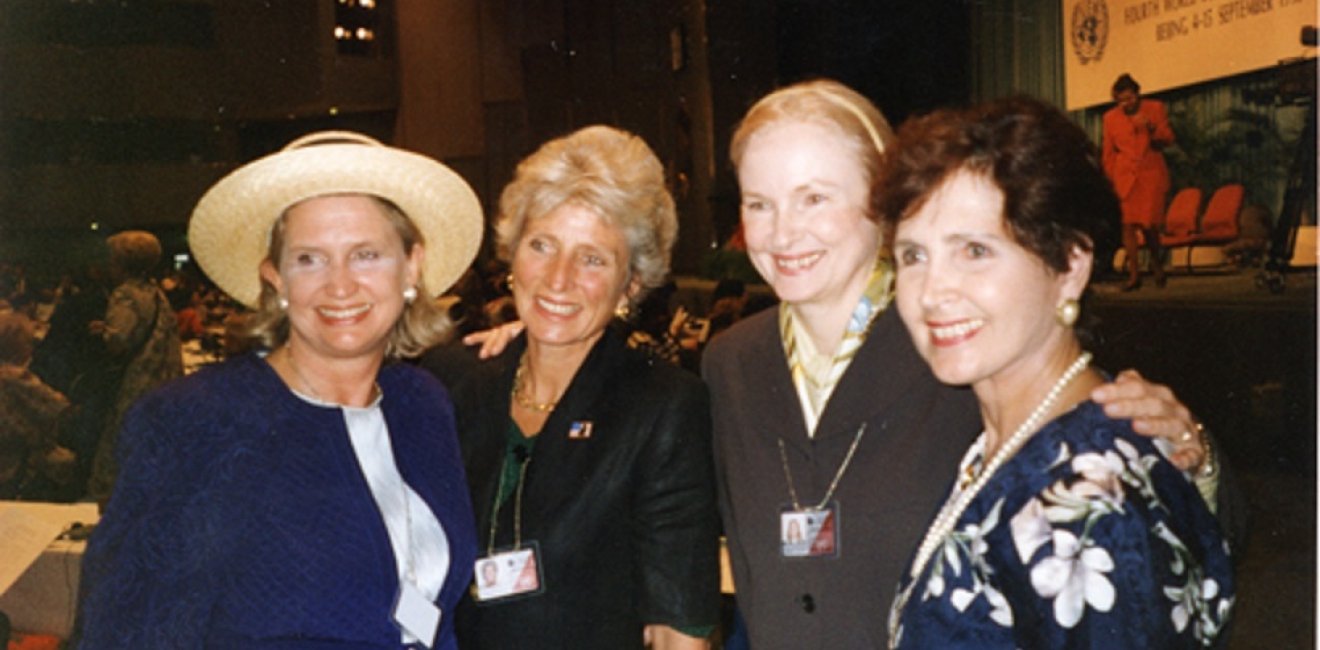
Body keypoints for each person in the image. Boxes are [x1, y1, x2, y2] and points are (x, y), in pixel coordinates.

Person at [699, 79, 1221, 649]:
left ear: (881, 204)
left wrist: (1194, 453)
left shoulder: (966, 347)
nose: (782, 231)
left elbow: (1147, 515)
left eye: (814, 197)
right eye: (758, 203)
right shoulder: (730, 364)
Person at [74, 131, 483, 649]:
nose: (340, 286)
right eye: (309, 259)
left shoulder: (423, 403)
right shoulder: (195, 421)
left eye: (366, 255)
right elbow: (124, 632)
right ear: (276, 279)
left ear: (412, 266)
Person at [880, 96, 1233, 648]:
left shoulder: (1085, 500)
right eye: (912, 255)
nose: (931, 293)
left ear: (1070, 265)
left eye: (974, 250)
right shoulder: (1010, 441)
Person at [420, 125, 720, 649]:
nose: (558, 279)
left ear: (629, 284)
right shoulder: (452, 383)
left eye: (592, 258)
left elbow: (679, 630)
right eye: (542, 246)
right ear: (512, 257)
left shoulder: (662, 405)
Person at [84, 230, 184, 504]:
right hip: (162, 380)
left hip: (136, 382)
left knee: (121, 453)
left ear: (121, 263)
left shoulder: (125, 294)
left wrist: (101, 330)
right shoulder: (156, 292)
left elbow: (119, 341)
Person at [1102, 73, 1175, 291]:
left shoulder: (1155, 108)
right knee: (1127, 226)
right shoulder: (1110, 118)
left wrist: (1151, 127)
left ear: (1137, 94)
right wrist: (1109, 179)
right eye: (1121, 100)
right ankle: (1134, 276)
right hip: (1124, 178)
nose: (1126, 104)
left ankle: (1156, 264)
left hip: (1150, 176)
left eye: (1130, 99)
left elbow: (1169, 138)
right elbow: (1108, 152)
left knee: (1149, 227)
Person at [0, 312, 75, 500]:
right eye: (29, 342)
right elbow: (59, 408)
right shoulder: (16, 377)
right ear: (14, 344)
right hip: (19, 461)